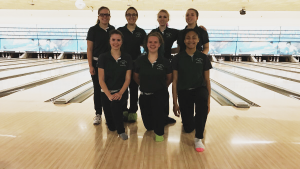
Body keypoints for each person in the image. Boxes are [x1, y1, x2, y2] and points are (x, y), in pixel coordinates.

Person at [172, 29, 212, 152]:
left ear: (198, 40)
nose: (191, 40)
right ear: (184, 41)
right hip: (184, 91)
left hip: (199, 89)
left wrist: (208, 102)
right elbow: (175, 81)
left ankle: (198, 138)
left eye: (194, 37)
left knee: (202, 103)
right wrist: (175, 103)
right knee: (188, 127)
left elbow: (207, 80)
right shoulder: (178, 58)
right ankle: (196, 120)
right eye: (188, 38)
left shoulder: (203, 57)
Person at [133, 32, 172, 142]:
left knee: (157, 123)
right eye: (150, 42)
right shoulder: (140, 60)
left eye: (155, 42)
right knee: (149, 126)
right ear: (146, 44)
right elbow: (136, 77)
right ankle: (163, 119)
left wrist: (161, 87)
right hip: (145, 95)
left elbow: (169, 78)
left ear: (159, 44)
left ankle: (160, 133)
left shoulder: (164, 61)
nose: (153, 44)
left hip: (159, 94)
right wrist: (145, 85)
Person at [98, 30, 132, 140]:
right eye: (113, 40)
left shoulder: (127, 58)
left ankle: (121, 131)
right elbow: (101, 80)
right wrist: (109, 95)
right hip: (106, 93)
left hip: (120, 92)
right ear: (109, 41)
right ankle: (118, 119)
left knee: (115, 104)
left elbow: (128, 79)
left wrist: (120, 93)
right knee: (111, 127)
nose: (116, 42)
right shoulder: (103, 57)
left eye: (118, 40)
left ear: (122, 42)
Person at [117, 7, 146, 122]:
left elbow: (147, 47)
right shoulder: (120, 31)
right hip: (122, 64)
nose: (131, 17)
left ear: (137, 16)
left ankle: (133, 111)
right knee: (122, 88)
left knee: (134, 88)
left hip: (135, 64)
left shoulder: (141, 32)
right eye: (129, 14)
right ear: (126, 16)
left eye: (134, 14)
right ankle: (123, 109)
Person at [87, 6, 115, 125]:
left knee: (110, 88)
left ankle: (111, 112)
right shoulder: (93, 30)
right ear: (98, 16)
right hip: (97, 63)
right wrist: (91, 66)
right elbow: (89, 49)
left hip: (110, 64)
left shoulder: (112, 29)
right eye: (102, 14)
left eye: (107, 14)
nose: (104, 17)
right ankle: (98, 113)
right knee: (98, 89)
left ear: (109, 16)